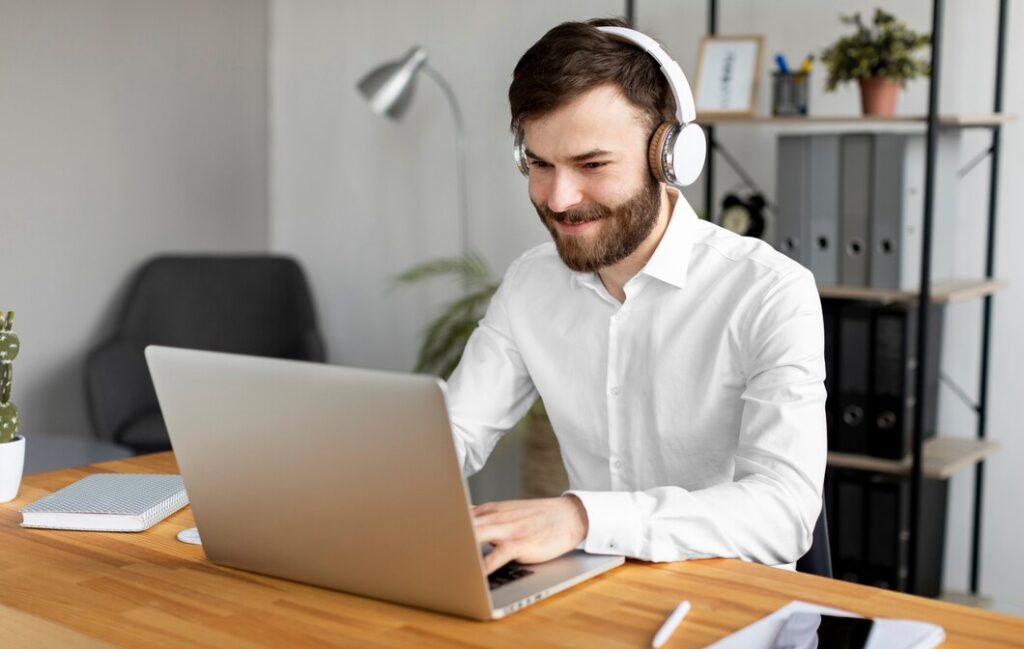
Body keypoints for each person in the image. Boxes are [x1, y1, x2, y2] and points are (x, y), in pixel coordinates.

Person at [446, 18, 826, 576]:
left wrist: (582, 519)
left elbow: (783, 511)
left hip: (735, 612)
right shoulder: (531, 284)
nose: (559, 198)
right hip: (592, 601)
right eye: (541, 164)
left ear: (669, 156)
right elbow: (455, 432)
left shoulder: (769, 293)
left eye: (592, 164)